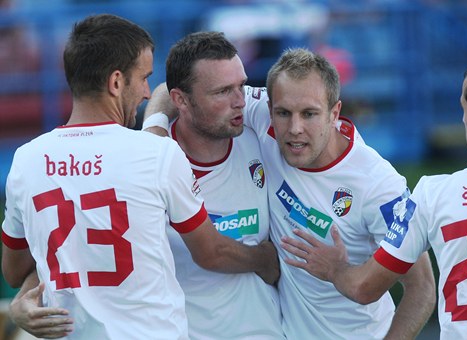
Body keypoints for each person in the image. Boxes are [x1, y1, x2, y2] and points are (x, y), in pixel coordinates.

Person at [1, 14, 278, 339]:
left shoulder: (27, 160)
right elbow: (210, 252)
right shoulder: (157, 153)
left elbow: (15, 269)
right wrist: (266, 258)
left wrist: (22, 301)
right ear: (116, 82)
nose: (147, 91)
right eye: (143, 77)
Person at [144, 47, 436, 339]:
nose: (295, 129)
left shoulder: (379, 185)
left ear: (335, 112)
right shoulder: (259, 114)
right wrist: (153, 135)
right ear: (270, 108)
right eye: (284, 113)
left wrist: (339, 270)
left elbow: (422, 287)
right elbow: (168, 90)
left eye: (310, 114)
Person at [280, 56, 467, 339]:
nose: (463, 117)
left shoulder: (432, 193)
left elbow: (364, 287)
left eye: (464, 109)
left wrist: (335, 269)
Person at [147, 31, 283, 339]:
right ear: (180, 99)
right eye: (222, 92)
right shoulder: (148, 164)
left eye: (241, 85)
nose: (239, 101)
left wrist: (151, 123)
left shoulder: (260, 127)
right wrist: (265, 260)